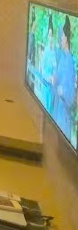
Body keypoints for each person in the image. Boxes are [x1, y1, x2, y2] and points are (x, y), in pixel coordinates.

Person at [52, 16, 77, 144]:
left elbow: (71, 96)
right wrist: (54, 78)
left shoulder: (70, 62)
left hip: (63, 118)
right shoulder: (62, 57)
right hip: (57, 111)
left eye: (61, 36)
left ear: (66, 38)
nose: (59, 39)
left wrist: (63, 92)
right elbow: (58, 77)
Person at [40, 16, 57, 111]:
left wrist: (54, 76)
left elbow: (56, 67)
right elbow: (42, 70)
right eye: (49, 35)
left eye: (52, 35)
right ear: (47, 36)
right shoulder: (45, 52)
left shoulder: (55, 51)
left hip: (52, 87)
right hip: (46, 86)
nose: (51, 37)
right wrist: (48, 77)